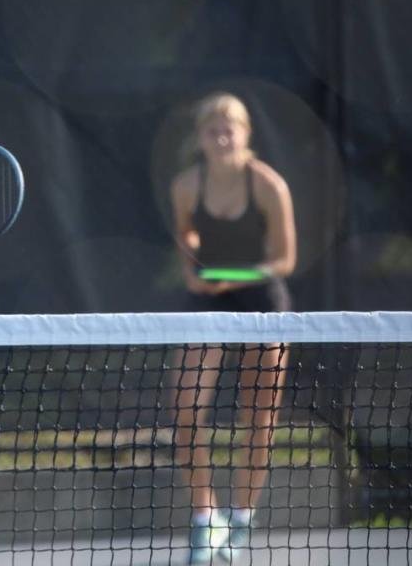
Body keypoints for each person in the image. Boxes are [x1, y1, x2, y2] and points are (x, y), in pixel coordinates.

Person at [167, 92, 296, 564]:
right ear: (200, 138)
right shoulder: (185, 187)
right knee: (185, 411)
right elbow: (189, 254)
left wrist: (231, 277)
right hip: (206, 305)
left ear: (246, 135)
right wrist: (199, 267)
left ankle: (241, 520)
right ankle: (206, 520)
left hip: (263, 302)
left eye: (230, 128)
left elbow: (285, 259)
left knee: (258, 416)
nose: (222, 136)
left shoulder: (267, 185)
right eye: (212, 129)